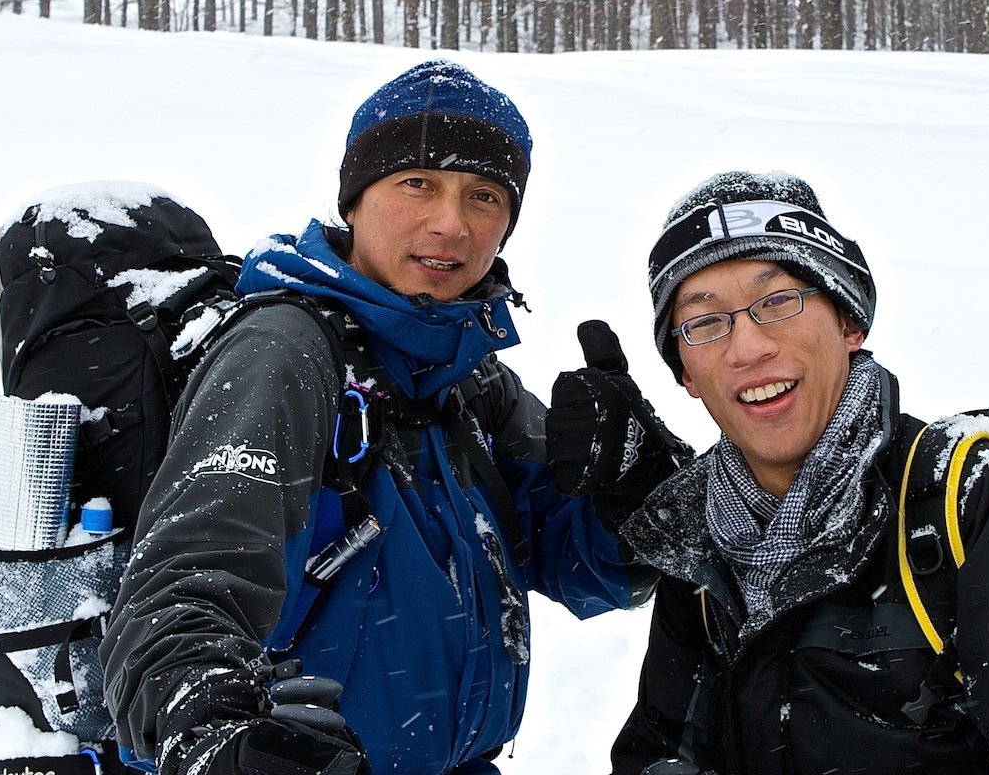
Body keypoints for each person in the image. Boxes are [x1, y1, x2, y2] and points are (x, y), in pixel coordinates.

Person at [99, 61, 682, 775]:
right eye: (417, 184)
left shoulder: (466, 374)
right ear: (354, 198)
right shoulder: (283, 352)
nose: (451, 223)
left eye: (484, 195)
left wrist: (632, 495)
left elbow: (574, 562)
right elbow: (182, 587)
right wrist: (217, 736)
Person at [575, 170, 989, 775]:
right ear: (685, 372)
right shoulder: (702, 538)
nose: (747, 348)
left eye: (779, 301)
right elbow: (660, 758)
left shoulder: (987, 506)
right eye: (705, 322)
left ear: (848, 320)